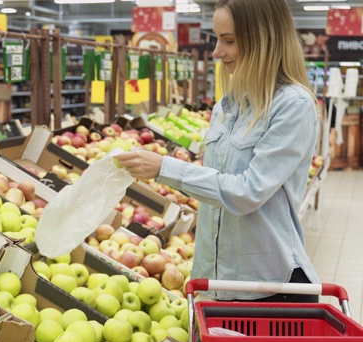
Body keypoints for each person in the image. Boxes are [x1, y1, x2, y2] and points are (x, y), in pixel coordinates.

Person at [116, 0, 320, 302]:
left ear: (263, 41)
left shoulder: (293, 106)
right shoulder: (226, 107)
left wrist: (164, 168)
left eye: (229, 41)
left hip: (270, 288)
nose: (216, 52)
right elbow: (217, 193)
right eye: (217, 38)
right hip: (217, 283)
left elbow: (247, 192)